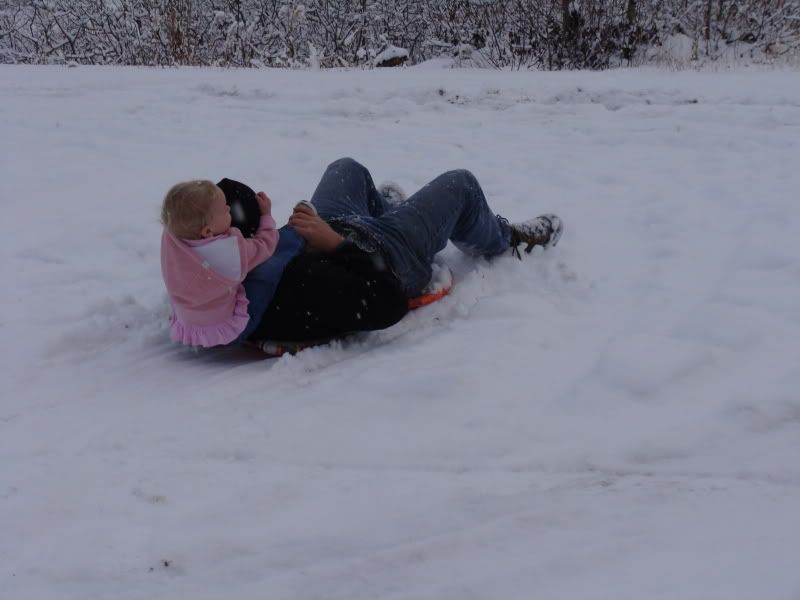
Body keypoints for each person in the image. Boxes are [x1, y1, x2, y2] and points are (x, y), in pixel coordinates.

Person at [161, 158, 563, 348]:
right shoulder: (301, 290)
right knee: (461, 184)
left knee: (346, 169)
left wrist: (309, 228)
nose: (234, 226)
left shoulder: (199, 265)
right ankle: (504, 239)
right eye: (227, 218)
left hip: (327, 231)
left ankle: (389, 211)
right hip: (384, 255)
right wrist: (335, 243)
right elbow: (386, 303)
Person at [160, 179, 279, 347]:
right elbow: (266, 244)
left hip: (189, 322)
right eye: (224, 209)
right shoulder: (229, 252)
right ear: (208, 231)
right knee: (279, 255)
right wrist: (266, 216)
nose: (229, 208)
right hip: (222, 327)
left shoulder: (172, 237)